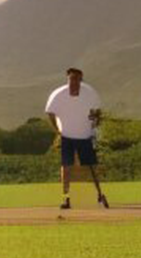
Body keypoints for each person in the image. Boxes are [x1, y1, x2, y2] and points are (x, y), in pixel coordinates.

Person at [45, 67, 108, 210]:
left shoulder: (89, 93)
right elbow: (50, 112)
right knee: (66, 167)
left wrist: (95, 123)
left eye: (77, 79)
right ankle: (66, 198)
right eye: (72, 79)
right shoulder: (59, 94)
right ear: (68, 79)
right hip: (67, 136)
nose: (74, 82)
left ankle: (99, 195)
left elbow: (97, 112)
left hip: (85, 136)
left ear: (81, 80)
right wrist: (57, 130)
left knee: (92, 167)